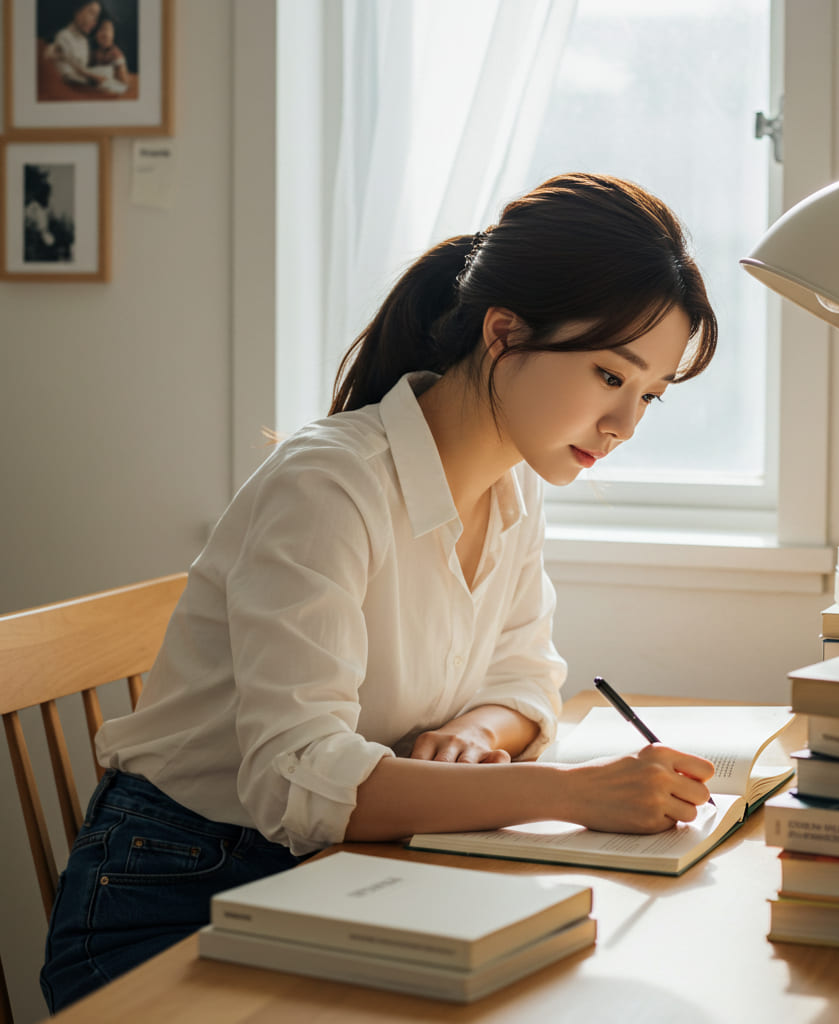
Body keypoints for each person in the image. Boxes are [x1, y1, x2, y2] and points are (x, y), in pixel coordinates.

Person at [40, 172, 719, 1012]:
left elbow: (524, 675)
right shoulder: (329, 483)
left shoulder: (516, 486)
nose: (625, 426)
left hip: (347, 874)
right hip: (175, 894)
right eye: (610, 377)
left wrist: (477, 730)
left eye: (649, 395)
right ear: (503, 333)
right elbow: (296, 778)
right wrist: (574, 793)